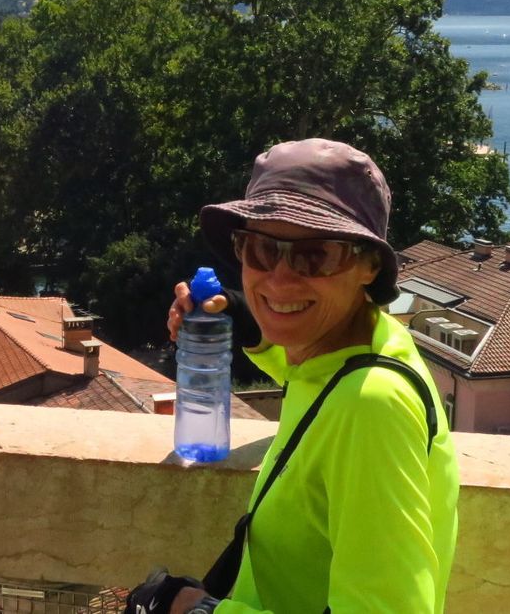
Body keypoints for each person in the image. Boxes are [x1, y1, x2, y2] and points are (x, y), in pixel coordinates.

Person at [138, 138, 459, 614]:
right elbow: (306, 373)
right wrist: (238, 314)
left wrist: (197, 610)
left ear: (369, 265)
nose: (280, 279)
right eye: (261, 250)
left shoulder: (371, 406)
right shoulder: (367, 345)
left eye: (315, 256)